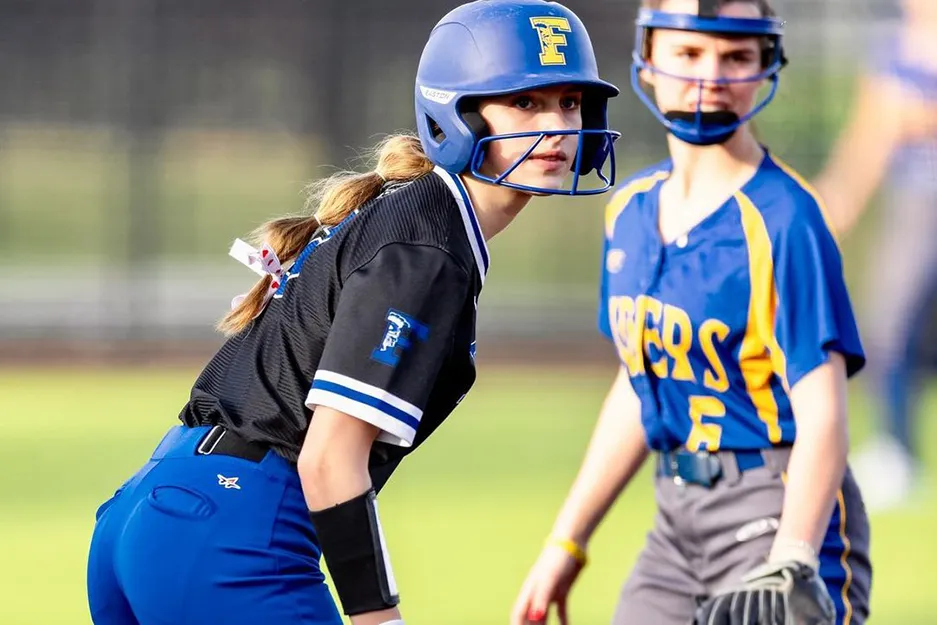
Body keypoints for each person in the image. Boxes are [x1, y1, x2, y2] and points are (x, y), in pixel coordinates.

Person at [84, 2, 620, 624]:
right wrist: (377, 615)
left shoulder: (407, 215)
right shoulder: (427, 247)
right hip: (233, 532)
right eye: (525, 103)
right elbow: (328, 456)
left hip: (151, 510)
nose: (558, 124)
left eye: (571, 102)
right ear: (458, 113)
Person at [511, 1, 872, 624]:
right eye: (688, 52)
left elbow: (824, 415)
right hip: (676, 520)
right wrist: (566, 542)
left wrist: (792, 555)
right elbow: (638, 382)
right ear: (647, 61)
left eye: (736, 56)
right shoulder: (629, 208)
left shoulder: (786, 219)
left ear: (767, 68)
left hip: (776, 507)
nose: (711, 76)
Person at [814, 0, 937, 512]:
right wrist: (834, 200)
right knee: (887, 323)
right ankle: (896, 450)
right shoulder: (889, 53)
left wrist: (919, 117)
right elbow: (867, 135)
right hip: (913, 205)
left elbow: (897, 122)